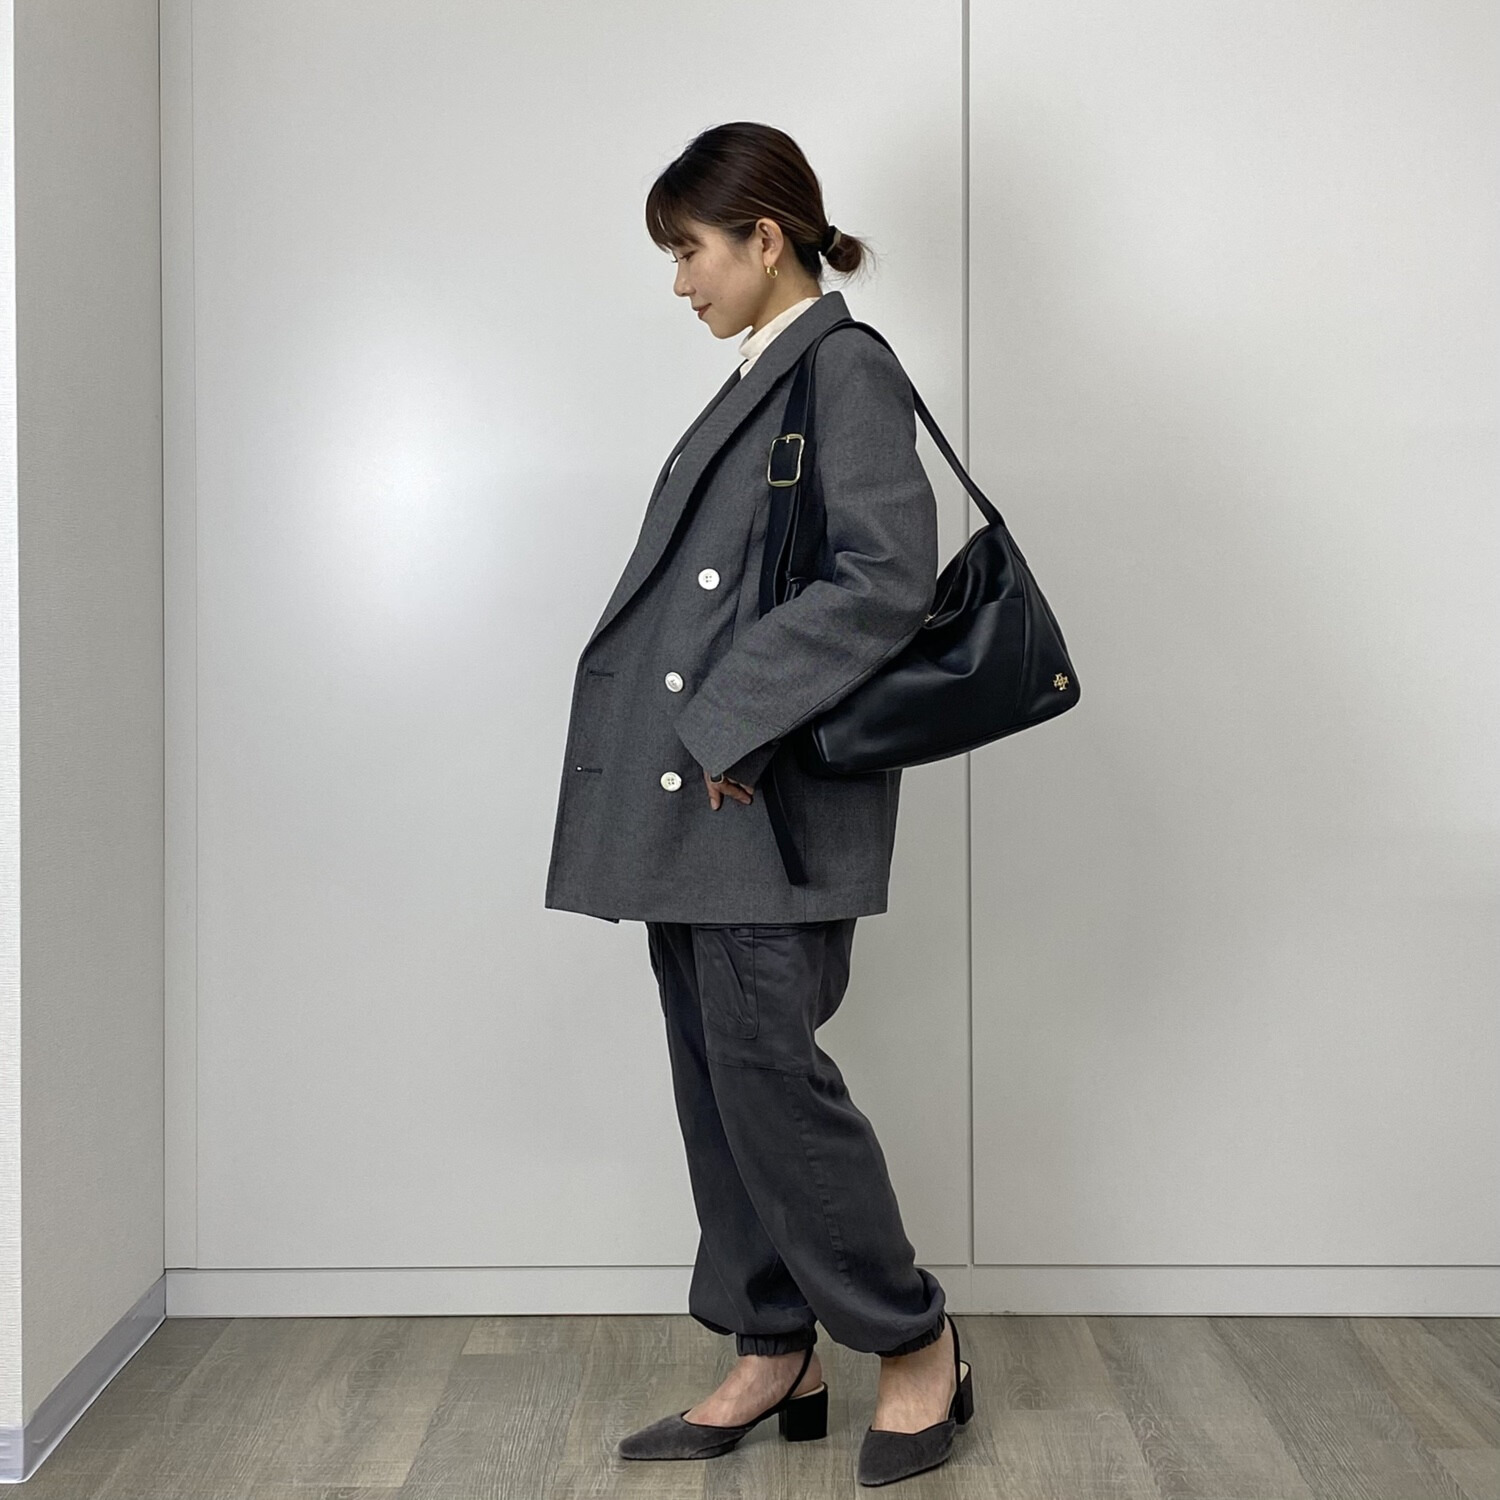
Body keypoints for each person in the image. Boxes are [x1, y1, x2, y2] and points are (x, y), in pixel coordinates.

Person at [544, 121, 974, 1486]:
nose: (681, 281)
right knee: (718, 1084)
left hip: (762, 796)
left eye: (691, 251)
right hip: (700, 803)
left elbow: (886, 575)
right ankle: (772, 1341)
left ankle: (915, 1342)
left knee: (772, 1085)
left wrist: (728, 714)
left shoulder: (842, 368)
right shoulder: (761, 375)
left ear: (765, 238)